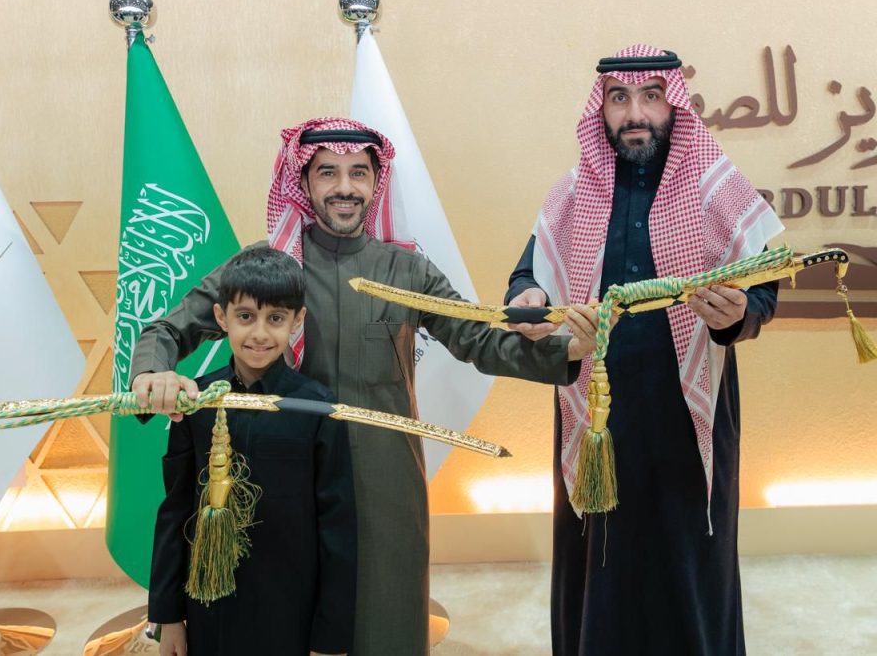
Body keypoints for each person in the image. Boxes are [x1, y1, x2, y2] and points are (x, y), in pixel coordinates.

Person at [133, 117, 598, 655]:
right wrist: (153, 372)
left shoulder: (408, 272)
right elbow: (167, 329)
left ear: (377, 182)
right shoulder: (271, 268)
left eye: (358, 172)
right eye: (327, 172)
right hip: (283, 484)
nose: (345, 187)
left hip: (384, 481)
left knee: (386, 623)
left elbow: (479, 340)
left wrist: (566, 349)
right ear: (302, 182)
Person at [506, 45, 785, 656]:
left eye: (651, 97)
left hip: (687, 413)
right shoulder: (571, 194)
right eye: (620, 98)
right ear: (601, 109)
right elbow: (527, 278)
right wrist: (529, 297)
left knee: (688, 556)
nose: (636, 113)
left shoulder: (715, 188)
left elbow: (765, 286)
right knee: (598, 558)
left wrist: (740, 314)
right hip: (595, 413)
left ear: (673, 105)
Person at [148, 247, 357, 656]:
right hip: (211, 613)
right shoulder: (197, 402)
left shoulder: (318, 408)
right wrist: (167, 615)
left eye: (275, 318)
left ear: (297, 320)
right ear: (221, 317)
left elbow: (338, 527)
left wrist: (330, 638)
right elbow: (175, 510)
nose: (260, 333)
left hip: (290, 612)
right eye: (246, 316)